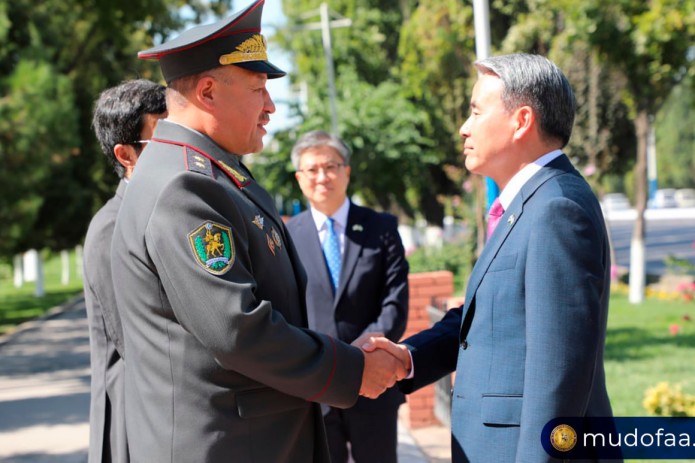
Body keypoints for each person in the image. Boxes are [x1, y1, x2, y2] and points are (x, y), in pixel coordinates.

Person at [109, 1, 406, 462]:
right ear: (208, 92)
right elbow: (237, 327)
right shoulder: (185, 187)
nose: (270, 107)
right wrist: (351, 369)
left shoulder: (215, 176)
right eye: (258, 89)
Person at [365, 53, 616, 462]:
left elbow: (559, 372)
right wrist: (411, 358)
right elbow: (489, 320)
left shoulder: (556, 209)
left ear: (521, 121)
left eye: (476, 112)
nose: (464, 128)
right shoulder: (531, 204)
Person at [286, 130, 409, 463]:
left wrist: (359, 358)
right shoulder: (286, 236)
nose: (322, 177)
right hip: (316, 387)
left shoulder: (381, 227)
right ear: (300, 178)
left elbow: (394, 304)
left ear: (346, 172)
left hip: (376, 381)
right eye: (312, 170)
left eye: (331, 166)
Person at [83, 79, 167, 463]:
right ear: (126, 154)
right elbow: (134, 341)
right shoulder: (113, 226)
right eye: (161, 140)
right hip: (132, 417)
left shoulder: (155, 212)